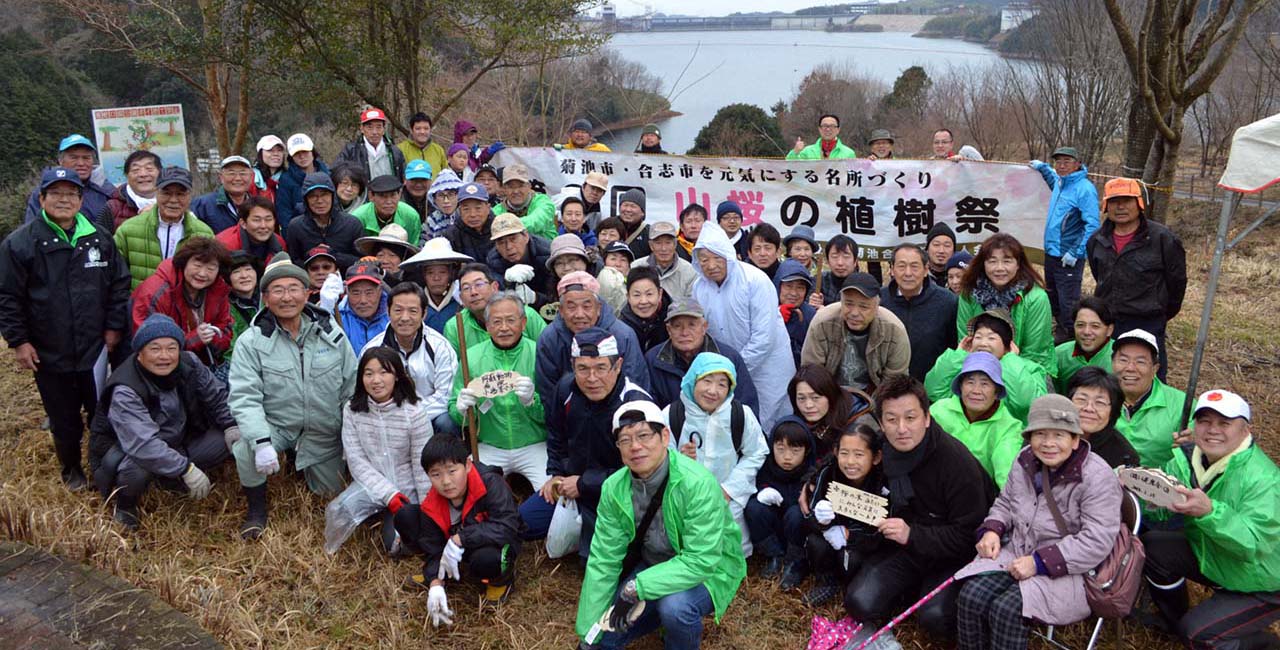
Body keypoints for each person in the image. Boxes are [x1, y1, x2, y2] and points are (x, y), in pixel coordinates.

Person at [954, 394, 1123, 650]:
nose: (1048, 443)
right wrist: (992, 530)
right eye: (1040, 434)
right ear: (1029, 437)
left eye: (1059, 435)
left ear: (1076, 440)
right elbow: (1006, 502)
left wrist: (1039, 562)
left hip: (1069, 570)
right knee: (971, 596)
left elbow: (1096, 542)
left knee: (1006, 609)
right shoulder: (1024, 460)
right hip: (1017, 551)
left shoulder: (1098, 478)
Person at [575, 400, 746, 649]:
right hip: (655, 563)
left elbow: (701, 560)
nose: (635, 447)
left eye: (644, 435)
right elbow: (604, 560)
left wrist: (637, 587)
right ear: (618, 448)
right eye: (625, 440)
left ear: (664, 436)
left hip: (710, 568)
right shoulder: (614, 488)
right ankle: (650, 618)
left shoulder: (697, 484)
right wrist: (587, 635)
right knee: (606, 637)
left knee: (675, 607)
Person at [0, 167, 131, 491]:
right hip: (48, 348)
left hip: (95, 347)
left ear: (80, 199)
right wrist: (19, 341)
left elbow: (119, 285)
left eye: (70, 194)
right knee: (63, 416)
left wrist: (114, 327)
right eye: (55, 194)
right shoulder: (21, 244)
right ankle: (71, 468)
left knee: (101, 410)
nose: (63, 200)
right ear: (42, 198)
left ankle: (101, 462)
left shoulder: (99, 238)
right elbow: (8, 296)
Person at [841, 375, 996, 645]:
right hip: (907, 547)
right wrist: (814, 485)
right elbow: (845, 461)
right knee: (859, 603)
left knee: (935, 618)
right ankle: (910, 588)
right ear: (881, 423)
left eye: (910, 418)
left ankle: (930, 595)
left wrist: (912, 535)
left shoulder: (957, 465)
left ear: (927, 417)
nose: (901, 428)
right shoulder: (883, 446)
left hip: (953, 555)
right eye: (891, 419)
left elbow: (970, 536)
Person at [228, 252, 358, 539]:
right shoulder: (252, 341)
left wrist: (352, 435)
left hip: (324, 428)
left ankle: (305, 465)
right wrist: (261, 441)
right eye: (278, 290)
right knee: (246, 450)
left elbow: (352, 386)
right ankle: (256, 509)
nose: (286, 297)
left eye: (293, 288)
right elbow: (244, 397)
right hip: (278, 425)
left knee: (328, 493)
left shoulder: (330, 333)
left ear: (307, 293)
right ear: (265, 297)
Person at [1141, 390, 1280, 649]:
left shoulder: (1264, 479)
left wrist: (1209, 512)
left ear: (1245, 429)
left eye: (1224, 423)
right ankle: (1178, 622)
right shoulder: (1186, 458)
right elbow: (1159, 511)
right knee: (1153, 546)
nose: (1212, 430)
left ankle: (1262, 644)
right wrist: (1146, 493)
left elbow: (1255, 545)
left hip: (1263, 580)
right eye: (1204, 421)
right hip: (1215, 555)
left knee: (1197, 633)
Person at [87, 314, 237, 529]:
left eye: (171, 348)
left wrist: (231, 425)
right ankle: (125, 505)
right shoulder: (126, 389)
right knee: (137, 467)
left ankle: (169, 478)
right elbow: (143, 445)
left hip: (178, 439)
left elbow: (216, 396)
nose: (164, 356)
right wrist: (186, 469)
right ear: (140, 353)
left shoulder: (190, 363)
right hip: (128, 451)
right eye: (155, 349)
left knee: (224, 439)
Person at [542, 328, 651, 561]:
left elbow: (644, 470)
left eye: (601, 368)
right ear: (573, 366)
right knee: (527, 523)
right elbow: (556, 436)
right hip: (571, 485)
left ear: (618, 365)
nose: (592, 379)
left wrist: (584, 483)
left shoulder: (634, 404)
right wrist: (555, 474)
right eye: (583, 369)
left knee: (593, 561)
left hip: (618, 493)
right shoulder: (565, 389)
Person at [394, 434, 523, 622]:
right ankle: (441, 573)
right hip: (455, 547)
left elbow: (508, 527)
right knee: (406, 517)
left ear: (468, 465)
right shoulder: (433, 501)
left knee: (486, 560)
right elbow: (433, 547)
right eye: (436, 474)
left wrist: (461, 538)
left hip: (491, 544)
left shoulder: (490, 483)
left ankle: (500, 581)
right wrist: (435, 584)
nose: (445, 481)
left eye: (452, 471)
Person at [449, 292, 549, 531]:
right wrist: (462, 409)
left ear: (523, 323)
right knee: (467, 497)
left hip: (534, 442)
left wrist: (531, 401)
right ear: (487, 325)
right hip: (489, 445)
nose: (504, 327)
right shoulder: (471, 358)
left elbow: (553, 414)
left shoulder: (539, 353)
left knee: (555, 496)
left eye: (511, 320)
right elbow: (454, 408)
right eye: (496, 321)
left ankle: (523, 524)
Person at [329, 346, 433, 554]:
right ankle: (379, 513)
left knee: (396, 547)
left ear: (397, 376)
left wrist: (427, 509)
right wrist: (388, 495)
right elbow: (356, 459)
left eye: (384, 372)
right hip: (372, 484)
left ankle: (392, 521)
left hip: (407, 489)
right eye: (369, 374)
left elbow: (422, 465)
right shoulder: (352, 410)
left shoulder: (414, 412)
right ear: (361, 378)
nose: (376, 380)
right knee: (338, 511)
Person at [692, 223, 794, 430]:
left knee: (769, 422)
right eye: (704, 259)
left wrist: (735, 368)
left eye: (717, 258)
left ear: (729, 256)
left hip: (767, 367)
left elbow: (764, 337)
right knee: (736, 424)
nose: (711, 265)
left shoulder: (754, 280)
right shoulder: (698, 288)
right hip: (726, 371)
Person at [665, 353, 768, 556]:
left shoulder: (740, 414)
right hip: (686, 499)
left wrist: (729, 489)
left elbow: (757, 452)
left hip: (728, 498)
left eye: (722, 384)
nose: (713, 391)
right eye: (707, 381)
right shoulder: (672, 415)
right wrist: (679, 459)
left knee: (731, 552)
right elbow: (658, 459)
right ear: (692, 380)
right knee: (688, 550)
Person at [1088, 178, 1186, 379]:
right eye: (1115, 201)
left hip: (1148, 320)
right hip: (1109, 321)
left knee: (1149, 375)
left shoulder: (1162, 238)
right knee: (1110, 375)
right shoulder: (1097, 240)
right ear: (1106, 205)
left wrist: (1160, 312)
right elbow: (1099, 276)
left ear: (1139, 203)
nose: (1121, 206)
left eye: (1127, 200)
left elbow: (1177, 282)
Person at [535, 271, 650, 414]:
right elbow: (549, 393)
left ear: (598, 308)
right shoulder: (549, 338)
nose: (579, 314)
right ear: (561, 311)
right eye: (571, 307)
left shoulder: (623, 335)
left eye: (587, 306)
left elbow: (636, 384)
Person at [800, 424, 889, 603]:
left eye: (859, 455)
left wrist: (850, 535)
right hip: (830, 536)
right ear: (835, 452)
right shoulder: (828, 474)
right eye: (844, 453)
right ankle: (827, 582)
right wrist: (823, 522)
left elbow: (881, 533)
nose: (850, 462)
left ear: (876, 457)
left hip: (863, 544)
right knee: (815, 543)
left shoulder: (883, 483)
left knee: (851, 557)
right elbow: (809, 517)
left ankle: (852, 586)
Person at [956, 233, 1056, 377]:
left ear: (1018, 264)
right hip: (979, 367)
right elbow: (966, 342)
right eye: (992, 261)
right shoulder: (969, 295)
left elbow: (1034, 353)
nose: (999, 268)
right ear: (983, 264)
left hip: (1027, 369)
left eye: (1007, 261)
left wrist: (1008, 371)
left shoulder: (1036, 298)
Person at [364, 283, 458, 437]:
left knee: (446, 421)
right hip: (386, 417)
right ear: (388, 312)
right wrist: (394, 415)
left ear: (424, 313)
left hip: (429, 415)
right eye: (398, 310)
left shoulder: (440, 346)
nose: (405, 318)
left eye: (413, 311)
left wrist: (411, 416)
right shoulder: (373, 348)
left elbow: (445, 395)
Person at [925, 309, 1048, 424]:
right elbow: (935, 391)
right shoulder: (962, 365)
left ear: (1007, 345)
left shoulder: (1031, 369)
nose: (983, 343)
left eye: (991, 338)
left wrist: (1011, 360)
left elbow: (1024, 403)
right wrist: (959, 355)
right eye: (978, 337)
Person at [130, 236, 234, 368]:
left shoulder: (218, 288)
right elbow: (146, 340)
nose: (202, 274)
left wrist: (213, 338)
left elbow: (226, 326)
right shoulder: (156, 291)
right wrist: (194, 339)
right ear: (184, 263)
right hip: (157, 365)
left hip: (199, 365)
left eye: (211, 268)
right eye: (197, 265)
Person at [800, 272, 911, 395]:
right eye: (848, 304)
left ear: (876, 307)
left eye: (863, 307)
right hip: (829, 394)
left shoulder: (894, 330)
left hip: (876, 396)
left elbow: (895, 383)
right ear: (840, 301)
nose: (854, 313)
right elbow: (811, 373)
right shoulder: (822, 323)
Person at [1030, 147, 1100, 337]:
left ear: (1077, 164)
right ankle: (1060, 329)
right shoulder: (1061, 184)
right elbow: (1053, 180)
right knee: (1053, 296)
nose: (1061, 166)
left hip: (1068, 256)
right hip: (1052, 253)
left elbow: (1092, 224)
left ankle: (1070, 337)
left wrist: (1076, 252)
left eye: (1066, 162)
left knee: (1068, 301)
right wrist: (1043, 168)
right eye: (1058, 162)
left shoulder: (1084, 189)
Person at [644, 299, 758, 414]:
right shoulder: (654, 360)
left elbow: (746, 407)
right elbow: (649, 408)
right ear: (669, 330)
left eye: (692, 325)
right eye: (677, 326)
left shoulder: (728, 358)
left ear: (704, 327)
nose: (684, 332)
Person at [927, 352, 1023, 489]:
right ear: (960, 386)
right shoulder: (939, 411)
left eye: (985, 384)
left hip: (977, 496)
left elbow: (1007, 473)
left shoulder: (1009, 427)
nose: (976, 391)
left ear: (996, 392)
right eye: (970, 382)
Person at [115, 167, 215, 289]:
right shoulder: (129, 230)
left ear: (190, 196)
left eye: (180, 194)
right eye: (166, 193)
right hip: (140, 305)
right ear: (156, 192)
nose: (173, 200)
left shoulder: (203, 233)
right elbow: (115, 276)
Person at [747, 417, 815, 582]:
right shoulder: (764, 469)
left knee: (796, 513)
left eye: (795, 450)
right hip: (774, 528)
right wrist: (761, 493)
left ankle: (795, 561)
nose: (787, 457)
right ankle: (774, 555)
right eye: (780, 449)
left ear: (806, 451)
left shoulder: (813, 474)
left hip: (799, 533)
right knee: (753, 507)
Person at [880, 243, 957, 381]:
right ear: (891, 270)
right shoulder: (879, 300)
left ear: (926, 269)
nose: (908, 273)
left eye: (914, 266)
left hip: (933, 387)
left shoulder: (947, 302)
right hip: (888, 387)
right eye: (901, 266)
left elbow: (954, 349)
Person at [1111, 328, 1186, 468]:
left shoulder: (1181, 405)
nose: (1130, 368)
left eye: (1140, 362)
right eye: (1123, 360)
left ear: (1155, 369)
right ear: (1112, 363)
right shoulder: (1098, 398)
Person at [444, 263, 546, 354]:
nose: (473, 292)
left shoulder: (525, 314)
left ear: (495, 287)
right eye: (466, 288)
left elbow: (548, 350)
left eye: (479, 284)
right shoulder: (454, 327)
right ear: (461, 297)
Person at [23, 134, 115, 229]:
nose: (81, 163)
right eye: (74, 158)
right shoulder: (45, 191)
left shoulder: (106, 191)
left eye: (86, 158)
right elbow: (31, 230)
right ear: (60, 161)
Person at [1065, 367, 1140, 468]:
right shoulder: (1049, 434)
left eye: (1100, 403)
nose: (1089, 408)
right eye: (1082, 399)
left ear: (1113, 411)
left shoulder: (1124, 456)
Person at [398, 238, 472, 333]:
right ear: (423, 275)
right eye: (430, 273)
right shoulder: (415, 302)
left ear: (451, 273)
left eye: (442, 272)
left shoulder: (462, 301)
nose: (436, 278)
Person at [788, 364, 858, 463]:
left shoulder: (857, 422)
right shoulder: (799, 423)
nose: (808, 405)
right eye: (801, 398)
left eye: (815, 397)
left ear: (830, 395)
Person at [487, 214, 553, 310]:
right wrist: (508, 282)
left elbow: (556, 297)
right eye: (501, 242)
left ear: (526, 236)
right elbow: (497, 297)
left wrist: (536, 298)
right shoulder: (493, 260)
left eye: (513, 239)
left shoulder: (547, 252)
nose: (508, 247)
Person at [1054, 295, 1114, 393]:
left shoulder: (1120, 357)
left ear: (1109, 330)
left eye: (1095, 326)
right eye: (1080, 325)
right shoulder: (1059, 354)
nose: (1086, 332)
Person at [334, 106, 407, 183]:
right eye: (370, 127)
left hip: (389, 194)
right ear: (362, 128)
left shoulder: (394, 151)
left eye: (378, 127)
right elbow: (336, 171)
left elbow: (403, 177)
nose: (374, 132)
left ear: (383, 129)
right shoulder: (351, 151)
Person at [632, 221, 697, 305]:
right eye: (658, 243)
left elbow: (691, 305)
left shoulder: (690, 271)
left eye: (668, 243)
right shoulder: (635, 267)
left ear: (675, 244)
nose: (663, 248)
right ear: (651, 246)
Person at [274, 133, 328, 228]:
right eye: (297, 153)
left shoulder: (327, 173)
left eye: (305, 151)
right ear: (291, 157)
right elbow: (284, 215)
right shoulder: (286, 180)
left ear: (312, 152)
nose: (302, 156)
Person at [191, 155, 256, 234]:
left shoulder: (258, 205)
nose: (238, 178)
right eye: (231, 173)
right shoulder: (203, 204)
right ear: (221, 177)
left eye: (243, 173)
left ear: (251, 176)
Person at [215, 196, 286, 267]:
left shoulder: (279, 243)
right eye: (256, 220)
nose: (263, 226)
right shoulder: (225, 245)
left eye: (268, 219)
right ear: (243, 223)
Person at [337, 259, 390, 354]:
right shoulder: (337, 317)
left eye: (369, 293)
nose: (363, 300)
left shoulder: (393, 315)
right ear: (347, 291)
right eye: (356, 293)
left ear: (380, 290)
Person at [492, 163, 557, 241]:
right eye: (511, 187)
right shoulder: (496, 210)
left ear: (529, 186)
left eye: (521, 186)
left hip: (545, 251)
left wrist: (506, 226)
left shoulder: (544, 202)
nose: (516, 191)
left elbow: (536, 222)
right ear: (504, 189)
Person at [99, 149, 161, 231]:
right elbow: (102, 241)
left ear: (160, 172)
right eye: (136, 170)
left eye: (149, 169)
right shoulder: (112, 207)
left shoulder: (175, 202)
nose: (143, 174)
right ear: (126, 175)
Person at [352, 174, 422, 244]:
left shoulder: (411, 216)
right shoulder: (358, 218)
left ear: (400, 194)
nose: (389, 201)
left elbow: (413, 248)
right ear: (371, 196)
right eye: (382, 196)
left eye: (393, 195)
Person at [775, 259, 817, 369]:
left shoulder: (811, 316)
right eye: (788, 286)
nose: (794, 293)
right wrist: (776, 319)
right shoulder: (766, 310)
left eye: (800, 288)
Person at [619, 266, 671, 353]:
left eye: (649, 294)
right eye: (637, 295)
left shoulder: (672, 318)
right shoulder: (622, 327)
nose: (643, 301)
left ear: (660, 294)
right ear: (628, 297)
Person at [441, 182, 496, 262]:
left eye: (478, 208)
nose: (472, 214)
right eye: (466, 209)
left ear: (488, 208)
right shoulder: (452, 235)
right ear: (459, 210)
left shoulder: (500, 229)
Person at [225, 251, 260, 363]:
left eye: (248, 269)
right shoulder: (226, 308)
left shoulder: (269, 299)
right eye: (236, 272)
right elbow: (231, 350)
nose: (244, 275)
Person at [397, 111, 447, 177]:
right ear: (411, 130)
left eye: (426, 128)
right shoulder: (400, 150)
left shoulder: (438, 150)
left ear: (430, 130)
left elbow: (446, 174)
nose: (422, 132)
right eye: (418, 129)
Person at [788, 114, 856, 160]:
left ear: (838, 130)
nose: (828, 129)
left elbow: (855, 176)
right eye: (824, 126)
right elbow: (788, 169)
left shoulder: (849, 153)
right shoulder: (807, 151)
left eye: (832, 126)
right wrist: (795, 152)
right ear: (819, 129)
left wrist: (866, 165)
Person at [817, 234, 859, 306]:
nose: (840, 263)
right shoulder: (819, 281)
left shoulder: (864, 284)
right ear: (827, 261)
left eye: (846, 256)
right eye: (834, 256)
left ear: (855, 261)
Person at [424, 169, 464, 241]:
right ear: (434, 199)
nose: (446, 201)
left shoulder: (466, 216)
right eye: (441, 195)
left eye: (451, 195)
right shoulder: (431, 221)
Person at [252, 135, 286, 204]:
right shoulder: (251, 178)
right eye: (270, 150)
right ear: (260, 154)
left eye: (279, 150)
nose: (276, 154)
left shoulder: (288, 178)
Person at [617, 189, 650, 259]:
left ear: (642, 212)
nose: (628, 209)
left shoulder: (649, 232)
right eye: (625, 205)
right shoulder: (610, 226)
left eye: (633, 206)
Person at [400, 159, 434, 225]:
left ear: (430, 181)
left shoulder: (437, 201)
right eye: (414, 180)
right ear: (405, 180)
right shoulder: (396, 201)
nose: (418, 184)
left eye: (423, 180)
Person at [924, 223, 956, 288]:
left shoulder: (959, 278)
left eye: (947, 246)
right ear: (927, 248)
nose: (941, 251)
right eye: (936, 245)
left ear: (954, 250)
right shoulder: (918, 275)